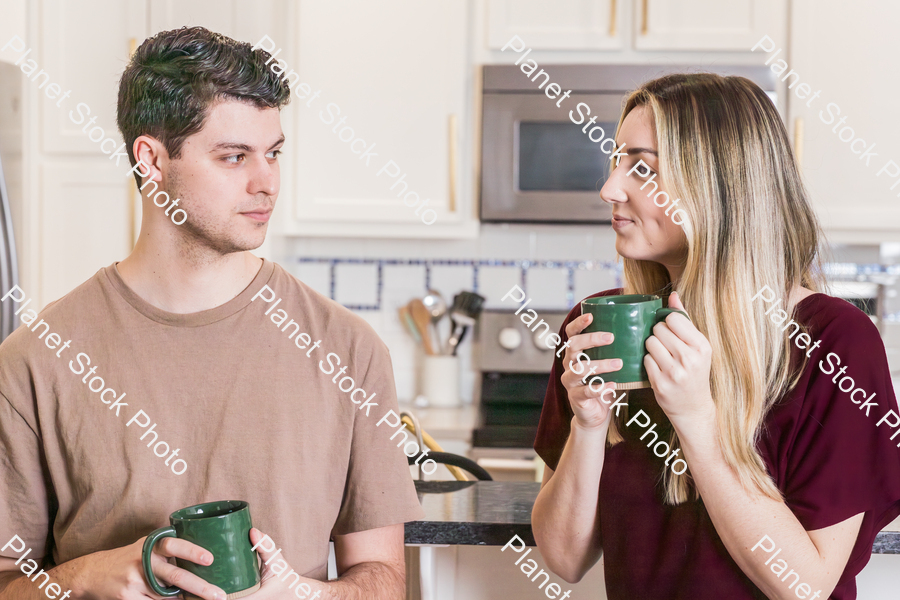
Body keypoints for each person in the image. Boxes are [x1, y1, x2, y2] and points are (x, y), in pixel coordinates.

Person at [0, 26, 422, 600]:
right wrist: (81, 580)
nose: (266, 181)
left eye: (273, 153)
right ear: (150, 158)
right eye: (234, 157)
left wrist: (305, 595)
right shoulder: (36, 360)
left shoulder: (348, 349)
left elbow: (384, 580)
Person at [531, 73, 900, 599]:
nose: (609, 188)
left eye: (642, 168)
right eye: (617, 162)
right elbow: (565, 559)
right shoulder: (601, 327)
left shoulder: (836, 343)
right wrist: (588, 426)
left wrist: (697, 420)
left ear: (718, 186)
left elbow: (807, 587)